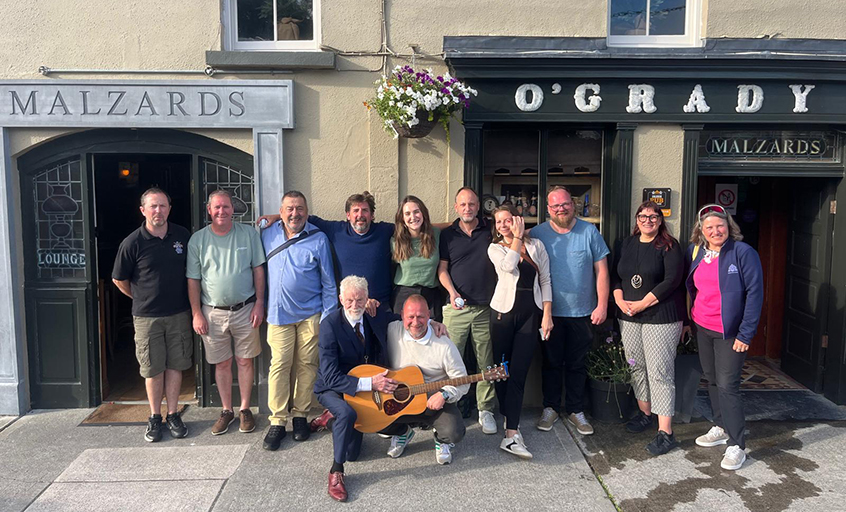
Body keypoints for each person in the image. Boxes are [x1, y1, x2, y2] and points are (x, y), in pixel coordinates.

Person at [311, 276, 448, 502]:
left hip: (366, 387)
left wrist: (431, 322)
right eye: (349, 301)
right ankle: (336, 472)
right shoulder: (329, 325)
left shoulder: (373, 316)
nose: (354, 305)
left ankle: (331, 420)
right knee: (346, 416)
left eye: (359, 300)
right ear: (340, 299)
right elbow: (330, 375)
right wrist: (370, 383)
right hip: (333, 388)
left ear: (367, 299)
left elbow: (406, 319)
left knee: (352, 453)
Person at [685, 204, 763, 471]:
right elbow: (692, 289)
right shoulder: (697, 252)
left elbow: (755, 294)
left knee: (729, 386)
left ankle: (737, 444)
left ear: (729, 227)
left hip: (730, 333)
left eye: (720, 226)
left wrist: (746, 333)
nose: (716, 231)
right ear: (702, 231)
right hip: (703, 327)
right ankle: (720, 425)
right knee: (713, 380)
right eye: (710, 227)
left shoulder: (743, 252)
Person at [112, 188, 192, 443]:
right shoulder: (132, 242)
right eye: (153, 206)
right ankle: (155, 417)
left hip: (179, 313)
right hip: (147, 317)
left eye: (163, 206)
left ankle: (173, 414)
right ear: (143, 210)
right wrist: (139, 297)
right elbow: (118, 279)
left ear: (170, 208)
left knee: (175, 365)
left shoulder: (182, 236)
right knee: (152, 368)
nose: (158, 211)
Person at [260, 191, 336, 451]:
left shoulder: (318, 238)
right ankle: (278, 420)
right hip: (278, 314)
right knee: (279, 365)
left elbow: (329, 282)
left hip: (310, 315)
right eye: (289, 209)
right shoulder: (266, 234)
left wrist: (327, 318)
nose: (295, 214)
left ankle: (301, 416)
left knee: (306, 365)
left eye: (300, 209)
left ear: (307, 211)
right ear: (281, 212)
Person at [187, 189, 266, 436]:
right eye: (217, 207)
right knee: (222, 363)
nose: (222, 211)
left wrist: (260, 302)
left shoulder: (249, 234)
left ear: (233, 209)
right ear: (209, 210)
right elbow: (193, 280)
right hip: (212, 312)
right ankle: (226, 410)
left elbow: (258, 270)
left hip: (245, 309)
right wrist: (196, 313)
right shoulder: (197, 240)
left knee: (245, 360)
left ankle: (244, 409)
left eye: (226, 207)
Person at [532, 185, 610, 436]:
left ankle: (576, 410)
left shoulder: (589, 231)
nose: (561, 209)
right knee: (551, 363)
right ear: (548, 209)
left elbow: (602, 271)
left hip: (583, 312)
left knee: (577, 364)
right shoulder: (538, 233)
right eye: (555, 206)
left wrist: (602, 304)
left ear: (573, 204)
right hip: (549, 313)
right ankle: (551, 407)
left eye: (565, 204)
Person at [611, 201, 686, 456]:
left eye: (653, 217)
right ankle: (645, 414)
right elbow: (616, 277)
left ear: (660, 220)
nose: (648, 221)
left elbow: (672, 281)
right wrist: (620, 301)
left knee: (659, 372)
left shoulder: (669, 246)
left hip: (660, 317)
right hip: (629, 316)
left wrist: (643, 303)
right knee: (636, 366)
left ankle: (666, 432)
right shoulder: (626, 244)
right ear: (637, 218)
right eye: (643, 216)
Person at [488, 206, 553, 459]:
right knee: (501, 371)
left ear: (518, 219)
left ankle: (511, 434)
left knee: (518, 372)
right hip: (503, 315)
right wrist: (516, 238)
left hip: (530, 314)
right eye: (499, 222)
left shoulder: (537, 246)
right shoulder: (495, 248)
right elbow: (508, 266)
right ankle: (509, 418)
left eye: (508, 220)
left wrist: (547, 314)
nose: (503, 225)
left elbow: (546, 279)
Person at [259, 191, 394, 308]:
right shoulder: (337, 231)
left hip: (379, 306)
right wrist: (277, 216)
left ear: (372, 215)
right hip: (348, 308)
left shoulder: (384, 231)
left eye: (365, 210)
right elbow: (303, 218)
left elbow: (407, 226)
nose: (360, 215)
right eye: (355, 211)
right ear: (348, 215)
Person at [437, 187, 498, 435]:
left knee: (486, 361)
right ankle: (448, 408)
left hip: (486, 307)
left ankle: (486, 410)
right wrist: (452, 292)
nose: (467, 208)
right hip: (456, 309)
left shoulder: (490, 230)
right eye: (463, 205)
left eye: (471, 204)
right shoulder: (448, 235)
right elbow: (442, 269)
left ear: (478, 206)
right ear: (456, 207)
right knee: (451, 361)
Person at [381, 294, 468, 465]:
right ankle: (402, 433)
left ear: (429, 315)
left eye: (421, 316)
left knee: (454, 432)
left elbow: (462, 380)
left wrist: (444, 394)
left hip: (433, 403)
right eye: (410, 317)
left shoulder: (444, 344)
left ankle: (441, 440)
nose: (415, 322)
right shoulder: (392, 330)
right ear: (401, 315)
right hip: (401, 401)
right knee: (371, 418)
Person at [391, 195, 441, 319]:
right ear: (402, 218)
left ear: (423, 213)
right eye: (407, 214)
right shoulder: (395, 242)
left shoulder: (435, 235)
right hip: (404, 293)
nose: (413, 217)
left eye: (416, 212)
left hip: (431, 294)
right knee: (403, 335)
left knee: (433, 334)